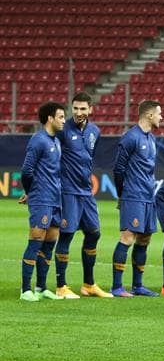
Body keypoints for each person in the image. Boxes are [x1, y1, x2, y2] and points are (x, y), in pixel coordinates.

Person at [55, 92, 111, 298]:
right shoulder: (62, 130)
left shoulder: (95, 131)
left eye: (83, 109)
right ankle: (61, 286)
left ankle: (88, 284)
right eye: (75, 108)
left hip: (86, 192)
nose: (79, 113)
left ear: (91, 109)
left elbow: (89, 158)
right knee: (67, 235)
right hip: (68, 191)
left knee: (94, 233)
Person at [111, 99, 163, 297]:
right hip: (133, 195)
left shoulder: (151, 139)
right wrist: (121, 194)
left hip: (149, 196)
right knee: (127, 237)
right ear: (149, 115)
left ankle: (138, 285)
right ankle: (117, 287)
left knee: (145, 238)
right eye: (159, 113)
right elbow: (119, 168)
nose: (161, 117)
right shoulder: (130, 138)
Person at [19, 102, 67, 302]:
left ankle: (41, 287)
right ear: (50, 118)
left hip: (55, 199)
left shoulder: (55, 141)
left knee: (49, 244)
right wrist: (32, 193)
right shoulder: (38, 140)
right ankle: (25, 290)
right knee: (35, 242)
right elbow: (26, 170)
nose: (64, 121)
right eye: (61, 117)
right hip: (42, 199)